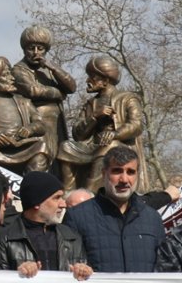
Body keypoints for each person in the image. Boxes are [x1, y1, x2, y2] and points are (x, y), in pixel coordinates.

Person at [63, 146, 165, 273]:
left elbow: (165, 268)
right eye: (117, 171)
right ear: (104, 173)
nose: (124, 180)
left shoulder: (152, 218)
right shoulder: (77, 217)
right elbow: (65, 265)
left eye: (130, 172)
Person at [57, 55, 147, 193]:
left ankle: (89, 193)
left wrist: (114, 134)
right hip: (92, 146)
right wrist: (94, 116)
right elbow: (77, 135)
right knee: (66, 147)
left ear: (105, 81)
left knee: (108, 147)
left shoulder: (127, 98)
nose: (88, 81)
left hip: (119, 145)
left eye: (93, 77)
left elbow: (136, 125)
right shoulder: (90, 104)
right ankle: (68, 192)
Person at [0, 170, 92, 281]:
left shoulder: (72, 237)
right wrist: (19, 273)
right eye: (56, 198)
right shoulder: (5, 239)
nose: (63, 204)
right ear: (36, 203)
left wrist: (84, 270)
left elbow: (84, 280)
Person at [0, 56, 48, 174]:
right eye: (6, 75)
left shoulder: (24, 102)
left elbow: (40, 124)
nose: (12, 78)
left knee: (41, 147)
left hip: (22, 146)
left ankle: (32, 187)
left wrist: (30, 129)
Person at [12, 25, 77, 165]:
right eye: (31, 48)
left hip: (56, 121)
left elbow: (71, 87)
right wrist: (59, 93)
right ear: (24, 49)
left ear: (46, 50)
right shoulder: (19, 69)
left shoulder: (49, 70)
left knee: (59, 160)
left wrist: (53, 67)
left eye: (40, 48)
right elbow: (33, 91)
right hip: (37, 121)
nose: (36, 52)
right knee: (43, 158)